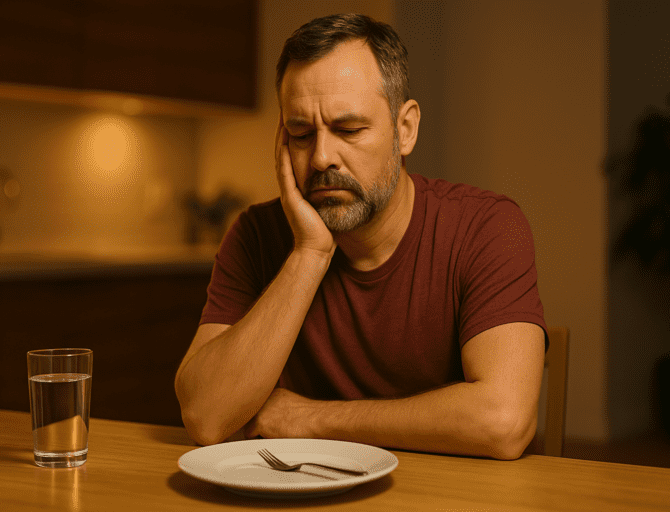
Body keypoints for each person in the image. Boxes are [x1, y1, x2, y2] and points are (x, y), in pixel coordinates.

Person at [175, 13, 547, 460]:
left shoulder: (487, 227)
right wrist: (309, 254)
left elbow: (502, 422)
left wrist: (307, 419)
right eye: (300, 133)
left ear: (405, 129)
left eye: (348, 130)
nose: (321, 157)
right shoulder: (255, 234)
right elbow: (204, 416)